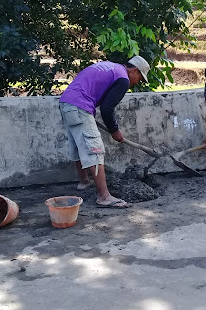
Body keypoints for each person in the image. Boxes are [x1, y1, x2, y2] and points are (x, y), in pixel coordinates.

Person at [59, 56, 150, 207]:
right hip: (80, 105)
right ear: (134, 70)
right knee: (94, 149)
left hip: (66, 103)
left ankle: (84, 181)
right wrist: (115, 130)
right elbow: (107, 108)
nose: (136, 83)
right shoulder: (123, 79)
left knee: (77, 145)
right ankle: (104, 197)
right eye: (139, 78)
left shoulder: (111, 67)